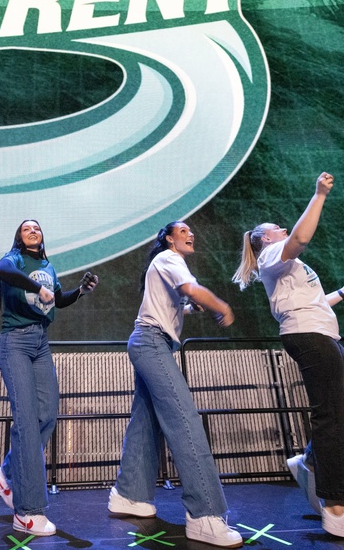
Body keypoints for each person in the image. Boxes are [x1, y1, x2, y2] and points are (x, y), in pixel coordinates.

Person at [233, 172, 344, 542]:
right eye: (275, 227)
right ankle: (334, 508)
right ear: (265, 238)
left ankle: (310, 462)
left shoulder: (289, 268)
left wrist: (340, 295)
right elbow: (300, 237)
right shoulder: (272, 253)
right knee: (332, 413)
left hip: (323, 334)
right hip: (308, 337)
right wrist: (318, 195)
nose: (282, 228)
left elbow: (306, 302)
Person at [110, 221, 243, 548]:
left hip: (150, 342)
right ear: (169, 239)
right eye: (183, 231)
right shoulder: (170, 258)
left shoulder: (165, 263)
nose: (190, 234)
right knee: (185, 421)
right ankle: (205, 515)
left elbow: (177, 300)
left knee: (146, 423)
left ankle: (128, 495)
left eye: (190, 230)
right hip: (151, 344)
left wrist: (188, 307)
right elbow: (190, 289)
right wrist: (221, 306)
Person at [0, 219, 98, 536]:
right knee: (25, 420)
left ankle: (6, 473)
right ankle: (27, 512)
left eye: (36, 227)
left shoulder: (47, 265)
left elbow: (57, 298)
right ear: (19, 237)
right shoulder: (15, 260)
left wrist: (81, 291)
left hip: (40, 342)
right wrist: (38, 288)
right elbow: (2, 271)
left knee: (47, 415)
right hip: (15, 342)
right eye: (26, 228)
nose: (33, 230)